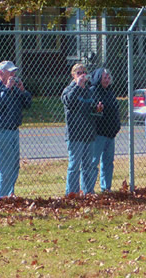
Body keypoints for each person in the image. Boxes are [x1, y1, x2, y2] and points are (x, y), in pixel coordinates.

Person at [0, 60, 32, 199]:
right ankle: (0, 199)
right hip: (1, 132)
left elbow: (28, 104)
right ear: (1, 73)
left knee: (14, 167)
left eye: (14, 71)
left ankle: (9, 195)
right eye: (10, 71)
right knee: (5, 169)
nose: (13, 74)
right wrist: (7, 88)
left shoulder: (15, 89)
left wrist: (22, 91)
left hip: (14, 131)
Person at [61, 64, 101, 195]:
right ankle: (72, 193)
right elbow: (68, 101)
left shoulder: (89, 91)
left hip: (88, 134)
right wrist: (78, 85)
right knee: (74, 166)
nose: (82, 75)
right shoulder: (69, 89)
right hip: (75, 135)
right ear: (73, 75)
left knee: (88, 166)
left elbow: (91, 108)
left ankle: (88, 191)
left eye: (84, 72)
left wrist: (97, 108)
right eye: (79, 73)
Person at [90, 68, 121, 193]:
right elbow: (92, 109)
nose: (107, 80)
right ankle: (89, 189)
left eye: (108, 78)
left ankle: (106, 188)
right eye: (104, 78)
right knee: (93, 163)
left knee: (108, 163)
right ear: (98, 78)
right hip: (98, 134)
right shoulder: (92, 91)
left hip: (110, 134)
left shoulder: (110, 92)